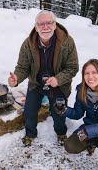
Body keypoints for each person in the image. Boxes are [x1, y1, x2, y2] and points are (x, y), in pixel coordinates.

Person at [8, 10, 79, 146]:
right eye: (41, 24)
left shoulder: (67, 42)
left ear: (55, 24)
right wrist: (16, 78)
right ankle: (30, 134)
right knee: (29, 110)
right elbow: (23, 67)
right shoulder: (28, 43)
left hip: (58, 84)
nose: (45, 27)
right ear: (36, 27)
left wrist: (58, 79)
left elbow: (72, 67)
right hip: (37, 83)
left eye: (49, 23)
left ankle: (61, 133)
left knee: (58, 111)